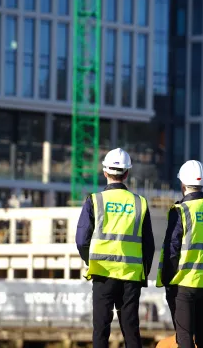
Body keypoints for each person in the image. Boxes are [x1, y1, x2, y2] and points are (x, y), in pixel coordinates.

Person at [76, 148, 155, 348]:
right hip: (130, 275)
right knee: (131, 329)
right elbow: (149, 245)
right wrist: (142, 271)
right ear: (127, 173)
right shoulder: (140, 203)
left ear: (104, 172)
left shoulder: (95, 201)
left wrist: (90, 261)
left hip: (102, 273)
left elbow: (81, 240)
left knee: (101, 329)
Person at [156, 160, 203, 348]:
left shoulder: (180, 211)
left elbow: (172, 250)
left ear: (183, 183)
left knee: (184, 337)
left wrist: (168, 279)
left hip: (184, 284)